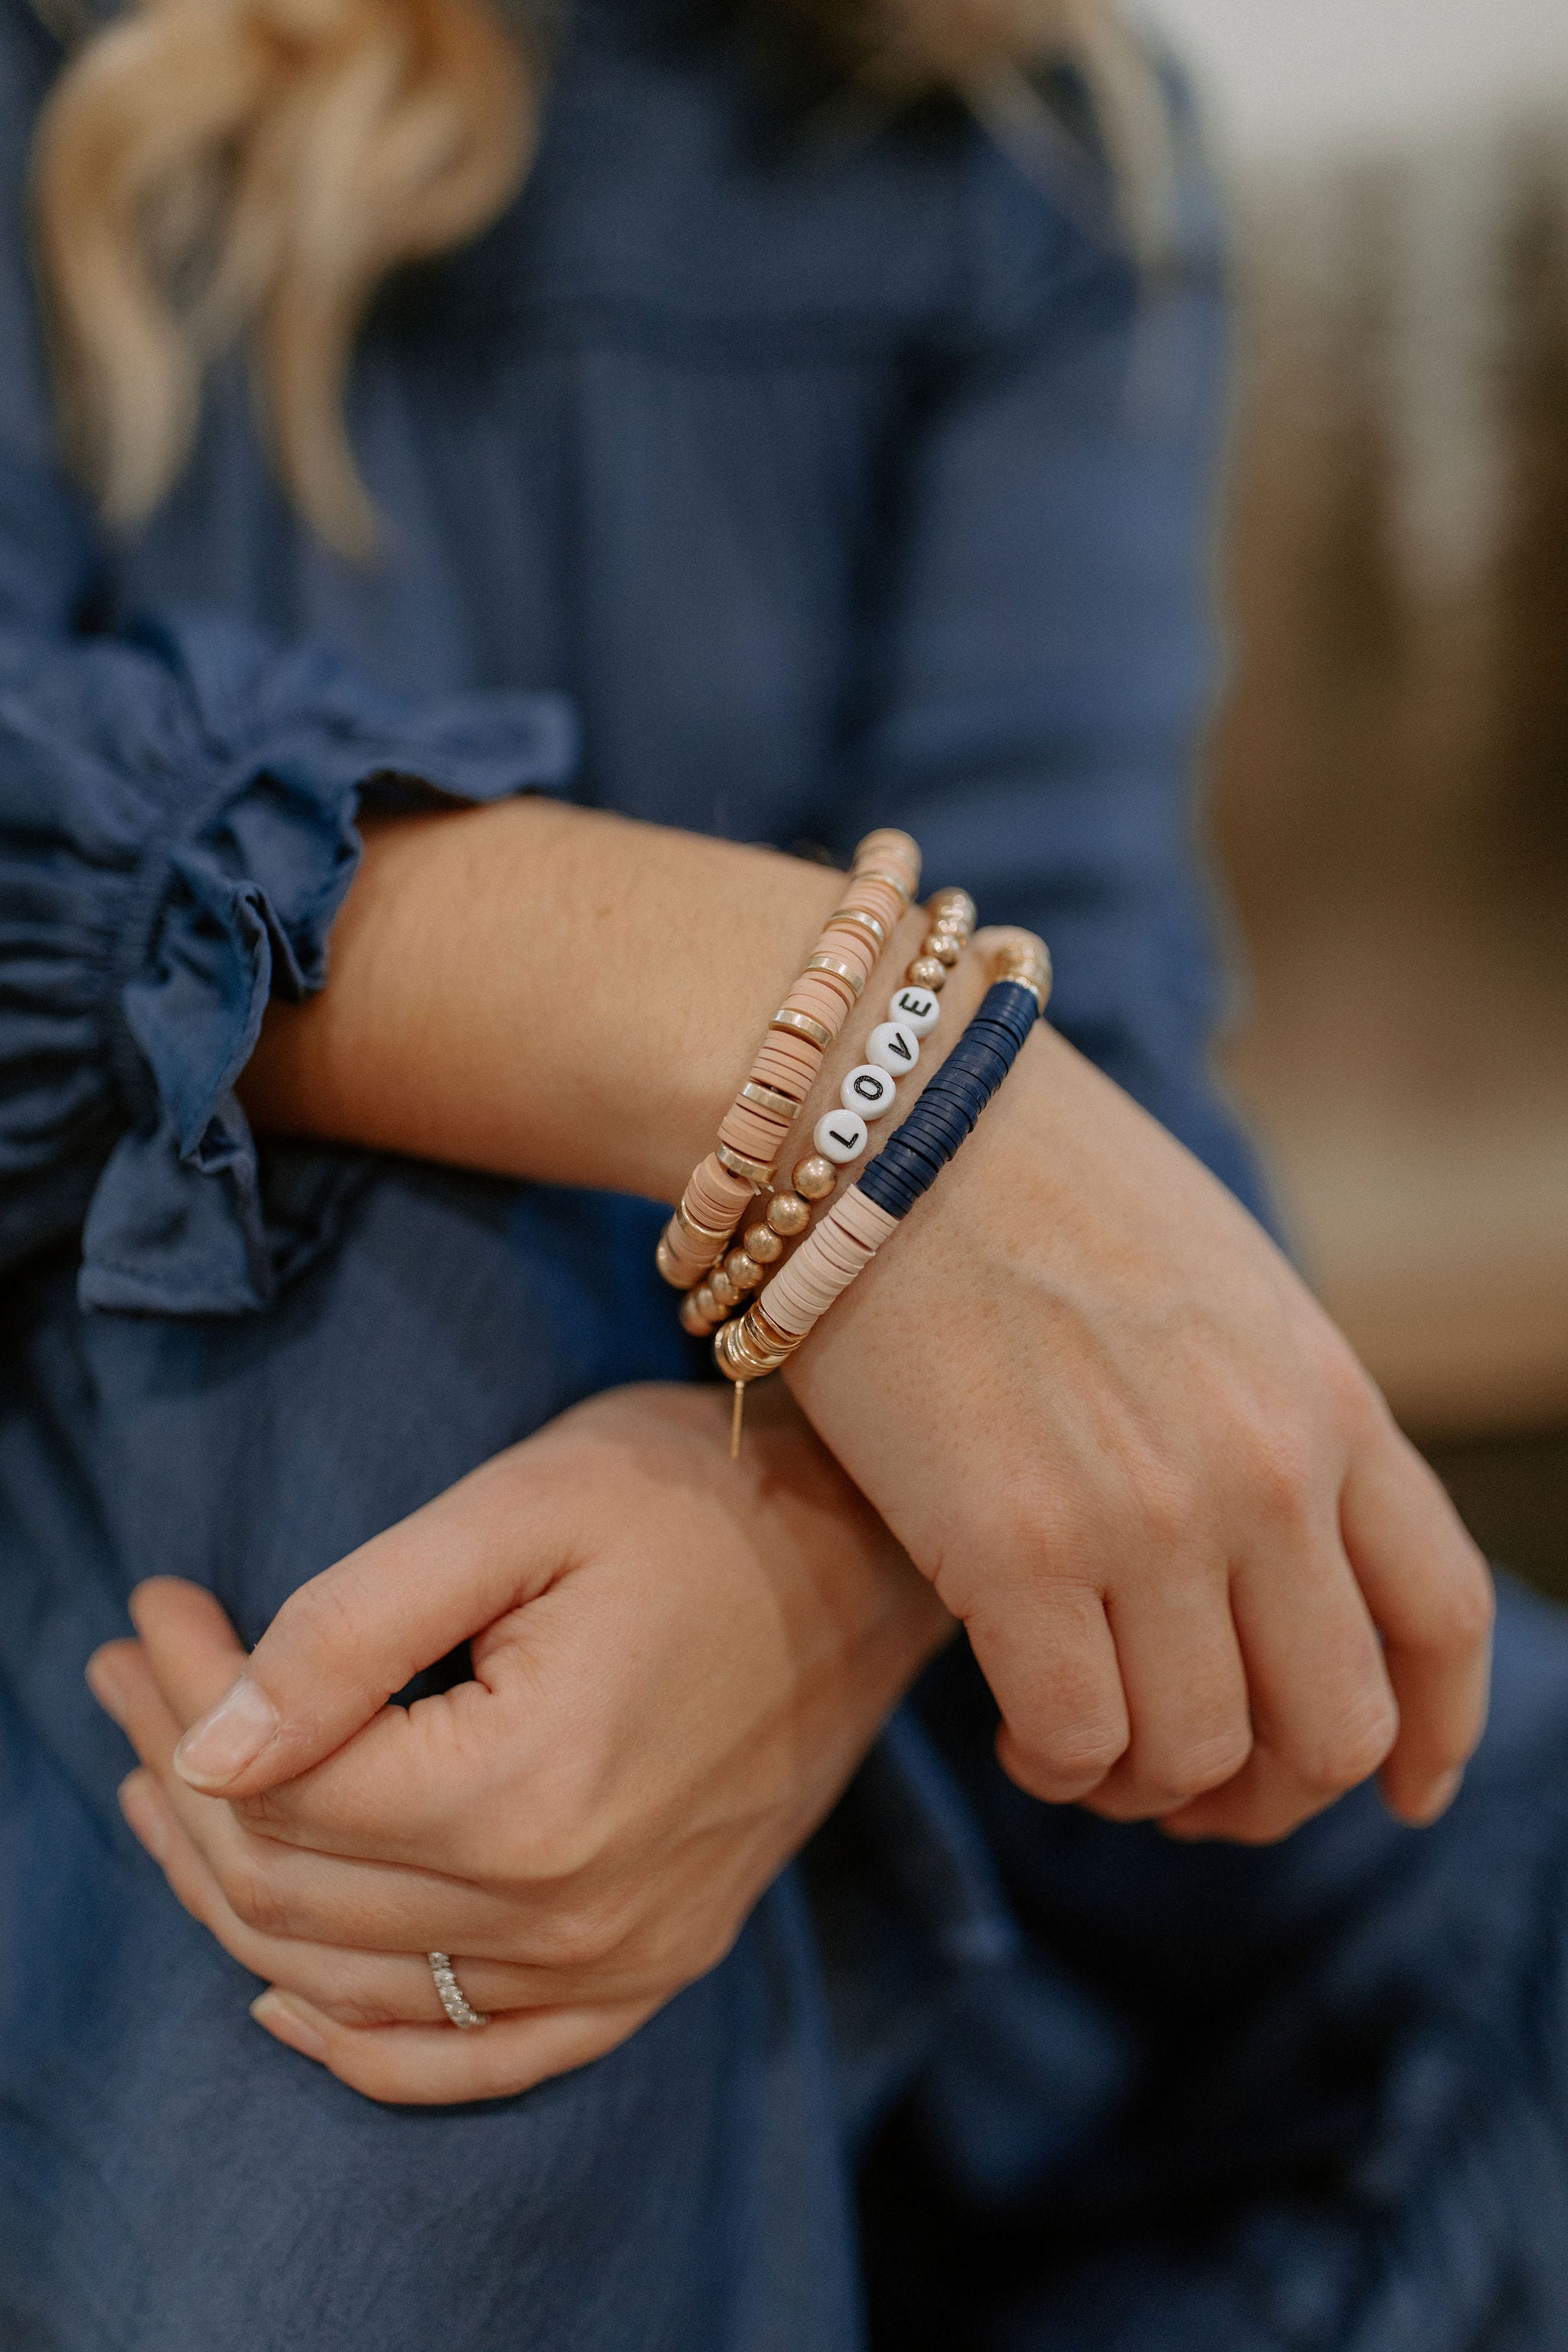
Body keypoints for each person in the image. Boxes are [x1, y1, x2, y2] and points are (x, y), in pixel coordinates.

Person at [0, 0, 1559, 2344]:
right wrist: (790, 1028)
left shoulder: (1021, 157)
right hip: (163, 1534)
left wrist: (809, 1559)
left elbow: (1091, 1082)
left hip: (951, 1745)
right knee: (395, 1417)